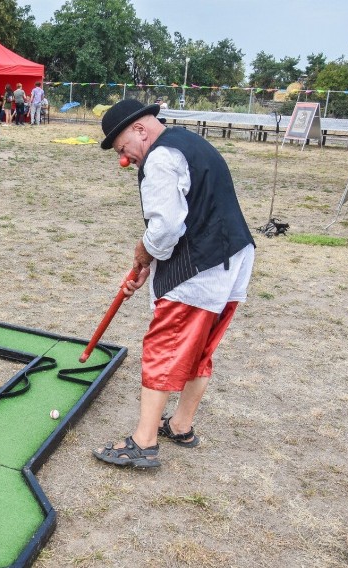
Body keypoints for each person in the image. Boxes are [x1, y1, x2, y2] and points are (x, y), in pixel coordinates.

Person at [91, 98, 255, 469]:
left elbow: (165, 228)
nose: (126, 159)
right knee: (200, 349)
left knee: (164, 346)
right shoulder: (187, 140)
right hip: (233, 258)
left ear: (139, 130)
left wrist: (144, 250)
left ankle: (143, 442)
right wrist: (148, 261)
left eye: (123, 149)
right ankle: (180, 425)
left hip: (200, 269)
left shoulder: (161, 159)